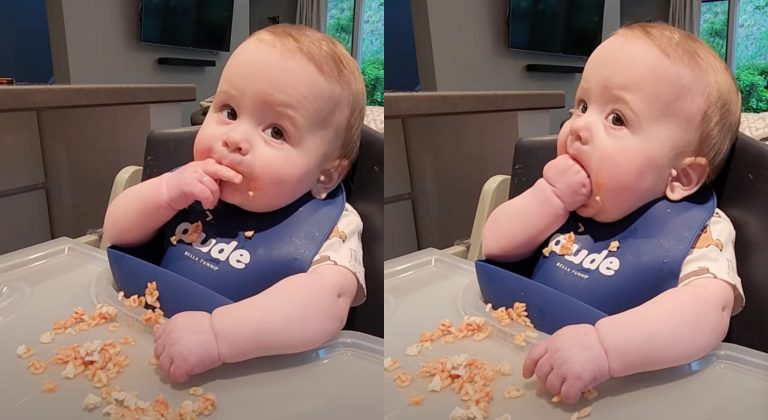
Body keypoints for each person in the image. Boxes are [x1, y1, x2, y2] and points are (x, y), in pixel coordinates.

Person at [481, 22, 744, 404]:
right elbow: (495, 246)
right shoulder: (560, 200)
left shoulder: (703, 231)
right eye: (583, 106)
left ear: (682, 176)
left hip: (627, 395)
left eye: (617, 119)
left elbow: (707, 311)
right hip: (513, 369)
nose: (578, 127)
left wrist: (606, 348)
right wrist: (550, 197)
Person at [103, 24, 367, 383]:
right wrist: (165, 193)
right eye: (228, 111)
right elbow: (115, 233)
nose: (235, 138)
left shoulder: (334, 225)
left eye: (276, 131)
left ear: (325, 176)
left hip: (257, 380)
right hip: (137, 348)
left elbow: (325, 304)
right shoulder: (184, 187)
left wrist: (218, 335)